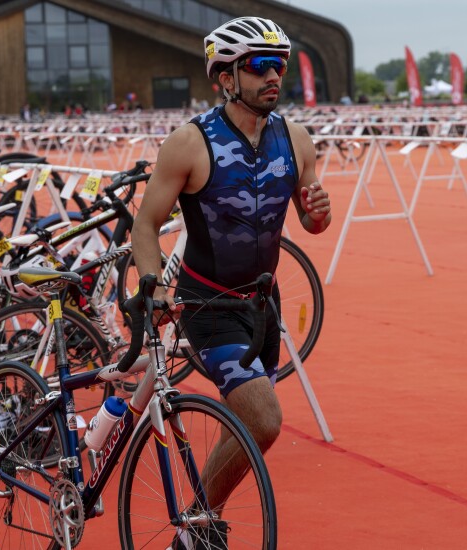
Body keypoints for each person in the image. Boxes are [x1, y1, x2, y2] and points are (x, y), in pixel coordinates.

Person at [131, 16, 331, 549]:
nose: (274, 76)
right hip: (207, 304)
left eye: (280, 65)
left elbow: (312, 222)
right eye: (260, 66)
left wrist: (319, 214)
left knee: (242, 419)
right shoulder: (190, 143)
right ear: (225, 76)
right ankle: (197, 523)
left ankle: (197, 528)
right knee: (262, 419)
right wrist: (152, 285)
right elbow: (146, 224)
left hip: (264, 305)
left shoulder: (296, 138)